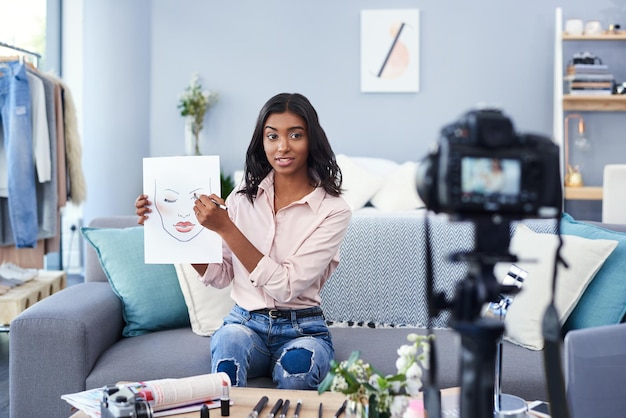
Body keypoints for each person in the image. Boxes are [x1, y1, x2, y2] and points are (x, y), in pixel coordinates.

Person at [135, 93, 352, 390]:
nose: (283, 146)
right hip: (244, 323)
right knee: (228, 352)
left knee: (297, 370)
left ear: (311, 139)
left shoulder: (333, 210)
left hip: (304, 328)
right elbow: (221, 275)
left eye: (295, 135)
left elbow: (286, 286)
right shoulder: (241, 199)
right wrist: (170, 225)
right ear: (262, 142)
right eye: (272, 136)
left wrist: (226, 229)